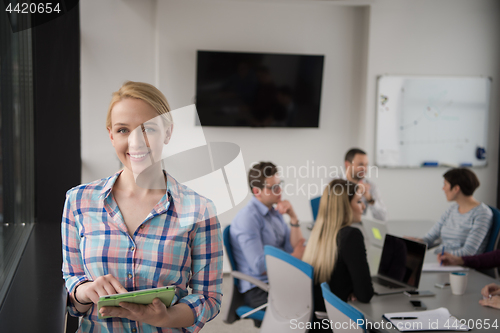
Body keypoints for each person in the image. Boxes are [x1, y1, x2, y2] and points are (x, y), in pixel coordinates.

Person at [61, 81, 223, 332]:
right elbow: (73, 286)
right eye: (124, 130)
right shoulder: (78, 201)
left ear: (168, 133)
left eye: (148, 129)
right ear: (111, 135)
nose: (136, 142)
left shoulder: (200, 210)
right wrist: (84, 291)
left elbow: (209, 298)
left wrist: (165, 318)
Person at [230, 162, 306, 309]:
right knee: (307, 307)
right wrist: (294, 257)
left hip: (280, 278)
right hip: (260, 288)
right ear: (257, 191)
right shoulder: (247, 219)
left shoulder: (274, 211)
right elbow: (259, 266)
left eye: (280, 184)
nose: (280, 190)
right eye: (274, 187)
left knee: (318, 290)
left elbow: (293, 245)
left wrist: (294, 218)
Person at [303, 179, 374, 332]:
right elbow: (365, 294)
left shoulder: (318, 232)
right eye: (359, 202)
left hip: (316, 324)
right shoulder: (351, 236)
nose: (362, 207)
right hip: (338, 325)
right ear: (345, 206)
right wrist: (355, 288)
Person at [408, 168, 493, 256]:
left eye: (445, 184)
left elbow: (468, 252)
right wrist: (416, 242)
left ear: (456, 189)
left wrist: (440, 256)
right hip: (441, 259)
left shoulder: (482, 213)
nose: (443, 189)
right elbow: (430, 238)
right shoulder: (452, 209)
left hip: (458, 264)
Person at [343, 148, 387, 221]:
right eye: (360, 164)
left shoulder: (370, 187)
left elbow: (383, 218)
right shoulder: (333, 183)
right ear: (347, 164)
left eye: (366, 165)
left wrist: (370, 199)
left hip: (358, 227)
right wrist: (354, 191)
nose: (364, 169)